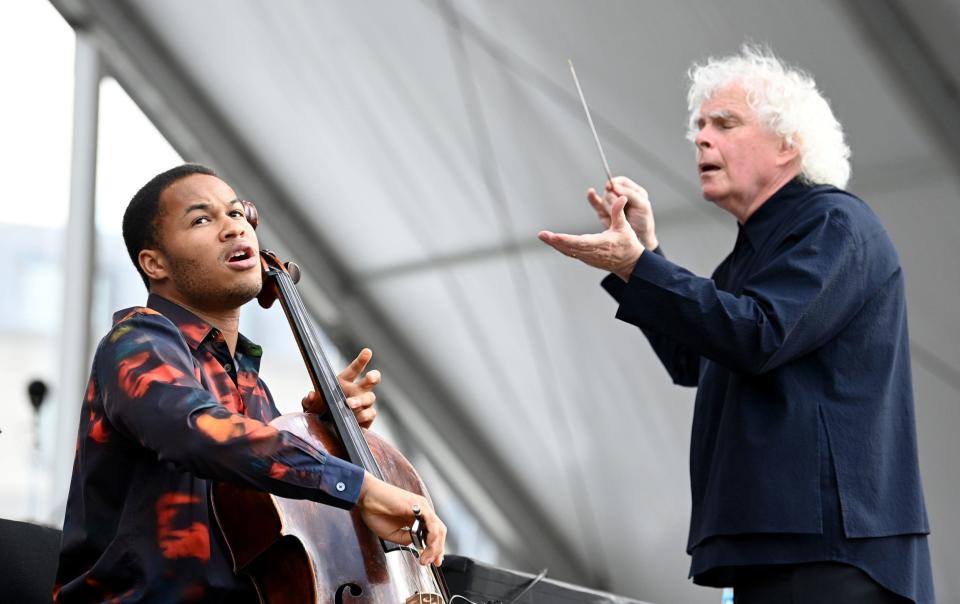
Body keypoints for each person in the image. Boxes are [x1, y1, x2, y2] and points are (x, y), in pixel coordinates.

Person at [539, 46, 934, 603]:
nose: (701, 137)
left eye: (724, 123)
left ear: (788, 143)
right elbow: (694, 358)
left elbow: (758, 334)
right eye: (699, 126)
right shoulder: (753, 254)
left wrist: (639, 267)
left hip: (833, 553)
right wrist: (646, 253)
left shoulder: (835, 222)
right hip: (781, 549)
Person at [55, 163, 446, 603]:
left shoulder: (250, 386)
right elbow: (196, 431)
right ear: (154, 263)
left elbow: (284, 510)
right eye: (202, 219)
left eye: (237, 213)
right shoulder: (138, 341)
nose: (232, 228)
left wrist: (325, 432)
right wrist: (358, 484)